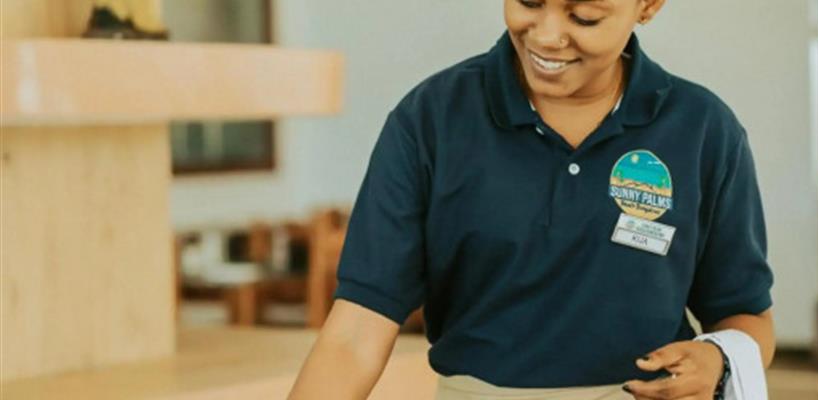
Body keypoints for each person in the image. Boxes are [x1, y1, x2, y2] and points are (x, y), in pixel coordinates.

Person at [288, 0, 776, 399]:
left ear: (648, 5)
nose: (546, 35)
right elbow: (355, 335)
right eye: (528, 2)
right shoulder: (432, 120)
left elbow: (746, 315)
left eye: (583, 16)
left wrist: (718, 359)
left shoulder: (703, 129)